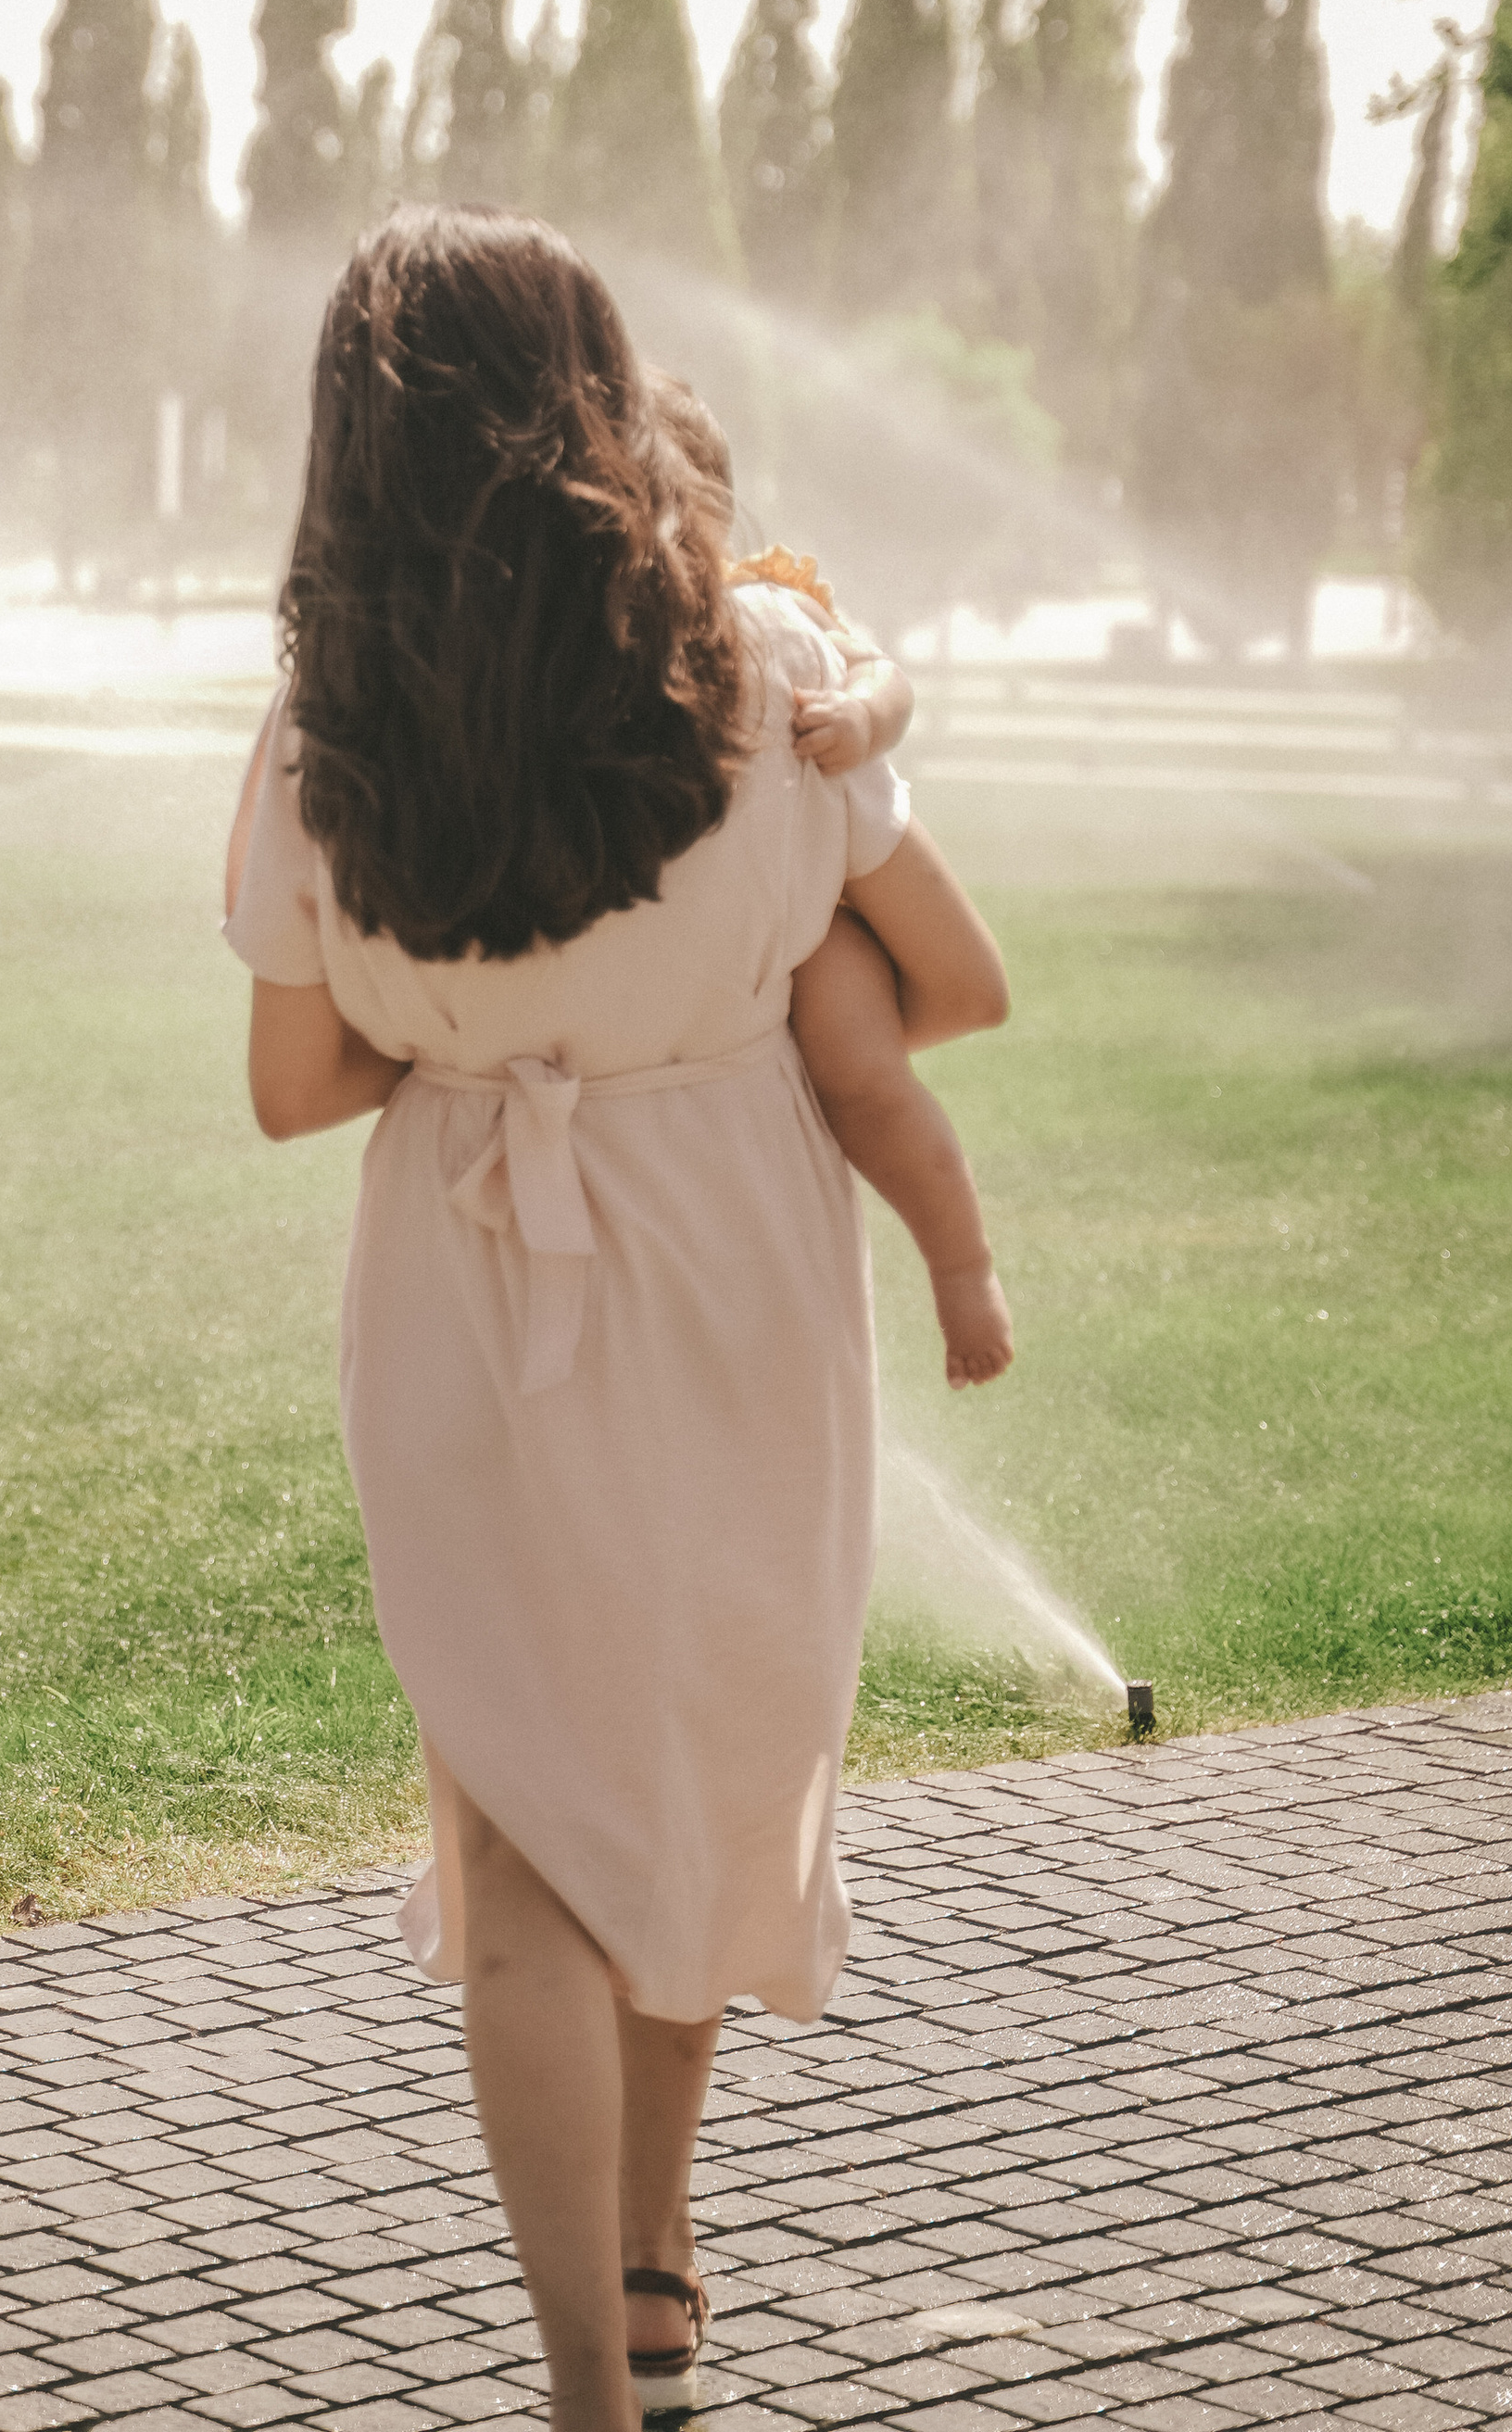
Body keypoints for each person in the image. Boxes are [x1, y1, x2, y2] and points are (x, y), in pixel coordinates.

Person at [222, 207, 1012, 2431]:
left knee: (521, 1847)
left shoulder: (325, 726)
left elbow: (294, 1087)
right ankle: (659, 2267)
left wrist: (470, 1021)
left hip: (466, 1284)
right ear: (590, 387)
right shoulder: (769, 672)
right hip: (733, 1262)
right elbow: (952, 982)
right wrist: (735, 987)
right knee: (688, 1766)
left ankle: (592, 2370)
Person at [651, 372, 1013, 1394]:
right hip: (737, 924)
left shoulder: (772, 601)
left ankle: (961, 1266)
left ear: (716, 504)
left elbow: (887, 678)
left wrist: (859, 719)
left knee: (864, 1081)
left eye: (674, 500)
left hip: (830, 908)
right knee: (825, 1071)